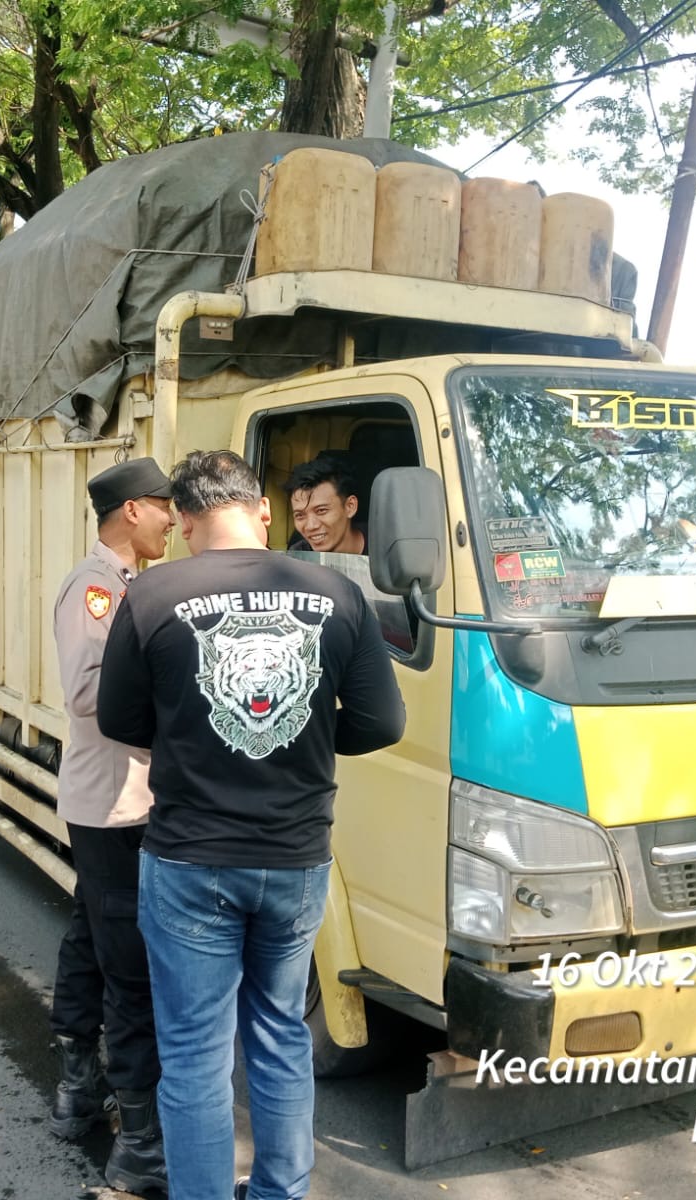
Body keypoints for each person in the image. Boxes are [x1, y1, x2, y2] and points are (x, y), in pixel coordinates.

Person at [97, 450, 405, 1200]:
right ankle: (279, 1192)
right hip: (296, 859)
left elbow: (118, 720)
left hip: (190, 858)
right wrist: (309, 734)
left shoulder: (151, 594)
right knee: (280, 1035)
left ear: (187, 519)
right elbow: (383, 721)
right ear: (263, 509)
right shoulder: (336, 592)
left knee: (195, 1056)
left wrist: (191, 736)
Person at [48, 457, 176, 1195]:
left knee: (90, 934)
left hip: (124, 798)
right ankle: (139, 1139)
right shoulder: (96, 588)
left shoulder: (129, 584)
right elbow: (89, 695)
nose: (171, 520)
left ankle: (77, 1086)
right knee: (129, 963)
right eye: (162, 507)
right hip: (113, 802)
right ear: (132, 510)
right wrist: (179, 707)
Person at [285, 452, 366, 555]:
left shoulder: (382, 544)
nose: (311, 526)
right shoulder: (299, 556)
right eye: (300, 515)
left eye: (321, 510)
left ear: (350, 506)